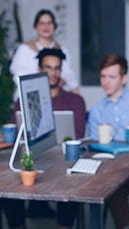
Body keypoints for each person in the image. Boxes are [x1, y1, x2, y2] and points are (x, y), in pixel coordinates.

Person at [4, 48, 87, 229]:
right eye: (48, 68)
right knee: (7, 187)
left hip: (62, 160)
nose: (53, 73)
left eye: (57, 68)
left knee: (70, 182)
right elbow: (15, 129)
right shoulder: (24, 100)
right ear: (39, 70)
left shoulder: (75, 101)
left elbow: (78, 134)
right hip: (32, 157)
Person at [88, 53, 129, 229]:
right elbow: (93, 145)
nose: (106, 82)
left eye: (112, 77)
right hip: (117, 168)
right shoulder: (97, 111)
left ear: (123, 78)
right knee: (113, 184)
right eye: (103, 77)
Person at [10, 8, 79, 96]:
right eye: (42, 23)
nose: (46, 27)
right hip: (28, 95)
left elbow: (68, 76)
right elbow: (18, 75)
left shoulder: (61, 51)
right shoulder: (25, 49)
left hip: (53, 97)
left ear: (54, 26)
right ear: (36, 27)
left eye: (49, 23)